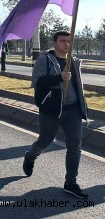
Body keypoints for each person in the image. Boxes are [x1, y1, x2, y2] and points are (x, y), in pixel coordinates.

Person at [22, 31, 90, 199]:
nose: (66, 44)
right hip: (51, 110)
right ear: (55, 43)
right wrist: (59, 77)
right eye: (62, 41)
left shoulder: (73, 61)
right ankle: (30, 156)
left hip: (72, 110)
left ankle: (70, 182)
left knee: (75, 145)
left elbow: (77, 85)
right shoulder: (44, 59)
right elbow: (37, 82)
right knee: (45, 141)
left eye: (69, 41)